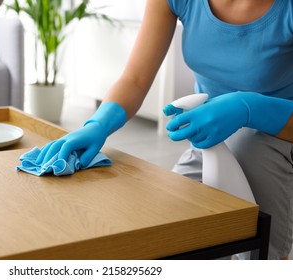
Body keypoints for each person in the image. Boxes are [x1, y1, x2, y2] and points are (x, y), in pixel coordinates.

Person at [36, 0, 293, 260]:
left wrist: (250, 107)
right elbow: (134, 79)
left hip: (280, 140)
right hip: (211, 145)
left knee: (256, 249)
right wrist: (98, 124)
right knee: (164, 235)